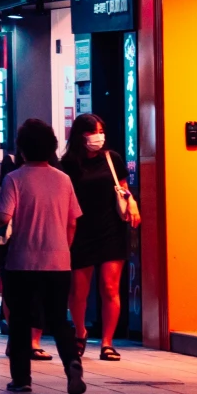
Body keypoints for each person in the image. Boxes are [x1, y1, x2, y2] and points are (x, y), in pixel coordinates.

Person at [0, 118, 86, 394]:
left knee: (20, 320)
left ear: (22, 149)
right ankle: (71, 362)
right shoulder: (64, 180)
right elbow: (73, 221)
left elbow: (3, 216)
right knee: (58, 319)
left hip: (22, 261)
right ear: (51, 148)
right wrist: (64, 248)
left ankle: (21, 379)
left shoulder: (14, 179)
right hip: (58, 261)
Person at [63, 112, 134, 361]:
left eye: (101, 131)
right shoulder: (68, 164)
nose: (98, 136)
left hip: (111, 228)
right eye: (93, 131)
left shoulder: (112, 159)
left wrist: (131, 202)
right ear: (80, 135)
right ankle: (80, 333)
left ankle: (107, 342)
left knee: (110, 286)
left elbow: (123, 189)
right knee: (78, 291)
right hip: (80, 230)